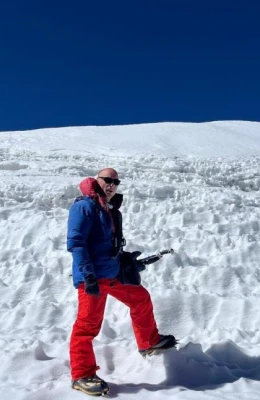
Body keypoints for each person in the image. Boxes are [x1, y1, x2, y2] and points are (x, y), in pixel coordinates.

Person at [67, 168, 176, 396]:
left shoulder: (107, 209)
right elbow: (77, 243)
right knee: (87, 326)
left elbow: (108, 246)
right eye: (108, 180)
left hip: (112, 274)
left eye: (116, 182)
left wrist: (128, 263)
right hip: (93, 278)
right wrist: (88, 275)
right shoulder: (84, 206)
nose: (112, 185)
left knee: (141, 299)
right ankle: (81, 375)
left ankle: (149, 341)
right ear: (97, 180)